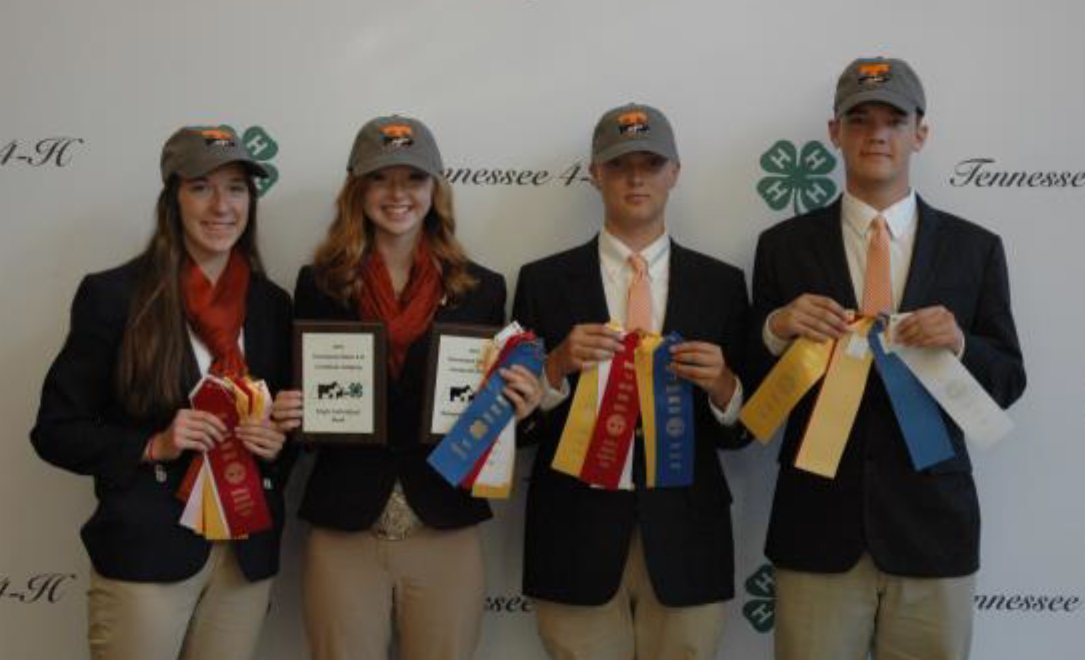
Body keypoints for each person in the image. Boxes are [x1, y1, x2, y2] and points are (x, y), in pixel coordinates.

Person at [748, 57, 1026, 660]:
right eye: (860, 119)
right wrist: (775, 328)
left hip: (934, 531)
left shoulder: (975, 250)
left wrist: (958, 343)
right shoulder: (782, 247)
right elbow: (747, 388)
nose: (877, 134)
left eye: (895, 120)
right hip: (816, 529)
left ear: (919, 134)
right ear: (835, 132)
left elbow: (1007, 379)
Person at [272, 115, 542, 660]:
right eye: (381, 179)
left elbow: (497, 418)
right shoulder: (318, 285)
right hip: (344, 523)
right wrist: (288, 414)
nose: (398, 194)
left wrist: (524, 410)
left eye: (413, 179)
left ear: (434, 190)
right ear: (357, 189)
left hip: (445, 523)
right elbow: (301, 408)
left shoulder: (482, 289)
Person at [31, 125, 295, 660]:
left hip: (245, 556)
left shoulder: (271, 304)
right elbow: (54, 432)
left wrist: (281, 436)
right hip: (147, 550)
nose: (222, 205)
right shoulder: (114, 296)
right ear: (172, 198)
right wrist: (153, 445)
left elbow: (286, 439)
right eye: (201, 186)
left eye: (237, 188)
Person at [511, 103, 750, 660]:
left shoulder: (722, 284)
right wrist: (554, 369)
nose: (636, 177)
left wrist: (723, 386)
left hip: (688, 537)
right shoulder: (542, 282)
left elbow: (746, 433)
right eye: (619, 165)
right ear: (595, 174)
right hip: (575, 535)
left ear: (675, 172)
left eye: (651, 162)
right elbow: (515, 432)